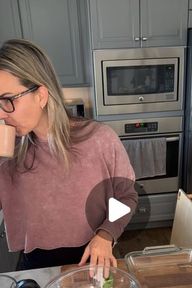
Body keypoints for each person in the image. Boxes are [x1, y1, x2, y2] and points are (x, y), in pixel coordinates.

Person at [0, 39, 138, 272]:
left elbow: (127, 197)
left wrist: (106, 236)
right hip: (34, 265)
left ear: (41, 95)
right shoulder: (9, 150)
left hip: (91, 259)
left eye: (7, 100)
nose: (2, 113)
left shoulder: (99, 139)